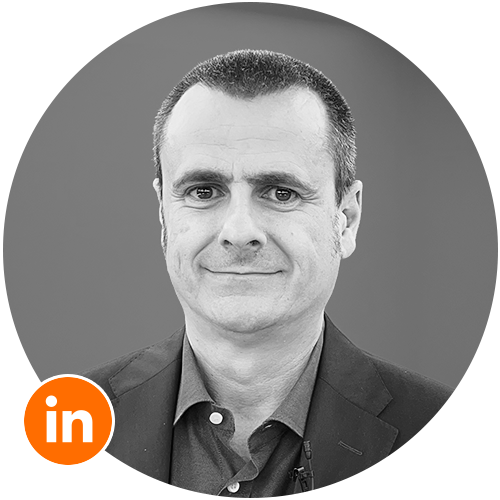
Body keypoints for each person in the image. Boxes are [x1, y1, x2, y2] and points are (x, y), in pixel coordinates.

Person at [82, 49, 453, 495]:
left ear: (347, 219)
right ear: (163, 214)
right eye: (204, 191)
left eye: (281, 193)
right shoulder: (66, 424)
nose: (239, 232)